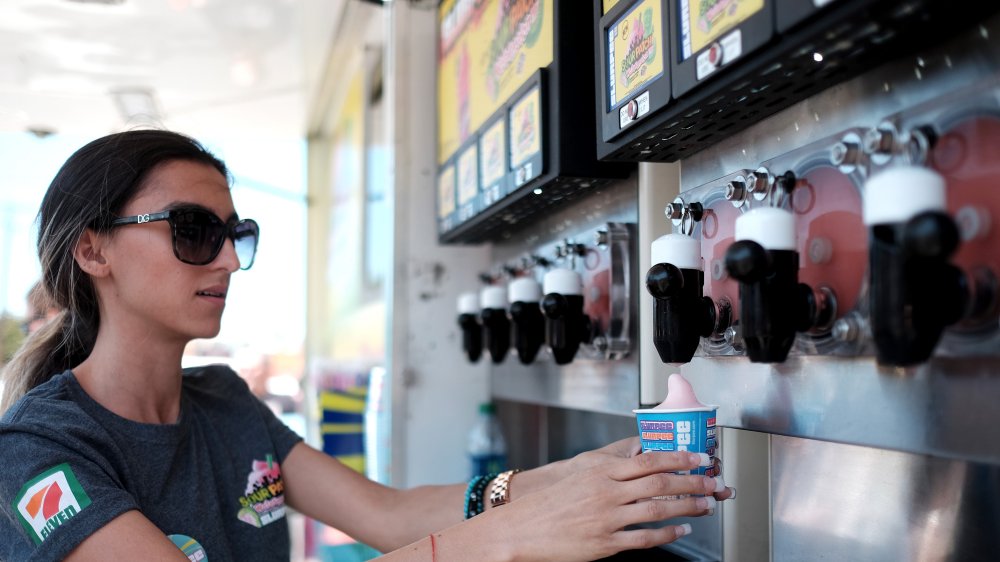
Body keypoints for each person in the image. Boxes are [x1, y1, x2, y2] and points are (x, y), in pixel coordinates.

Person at [0, 130, 734, 562]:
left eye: (235, 236)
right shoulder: (38, 451)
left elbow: (386, 515)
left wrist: (565, 481)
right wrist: (512, 535)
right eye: (195, 231)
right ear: (93, 251)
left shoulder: (224, 402)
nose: (227, 261)